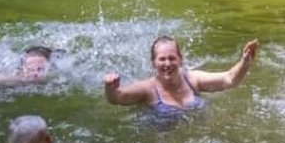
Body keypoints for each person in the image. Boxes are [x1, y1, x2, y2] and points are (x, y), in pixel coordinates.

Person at [103, 36, 259, 119]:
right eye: (162, 59)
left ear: (180, 59)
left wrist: (245, 61)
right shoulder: (147, 88)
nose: (167, 63)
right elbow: (117, 98)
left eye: (172, 58)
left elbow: (229, 79)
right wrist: (111, 88)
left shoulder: (193, 79)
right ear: (153, 63)